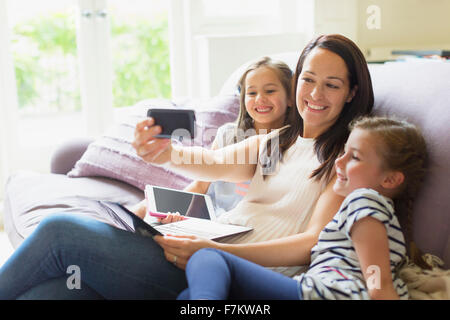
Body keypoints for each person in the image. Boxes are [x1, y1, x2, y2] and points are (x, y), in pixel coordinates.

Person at [0, 34, 374, 299]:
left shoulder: (346, 158)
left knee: (59, 231)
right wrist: (163, 152)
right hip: (199, 252)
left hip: (234, 275)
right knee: (57, 291)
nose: (314, 94)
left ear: (352, 92)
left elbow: (310, 244)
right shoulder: (279, 142)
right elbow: (210, 164)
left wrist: (214, 252)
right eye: (308, 80)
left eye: (331, 85)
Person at [178, 116, 428, 300]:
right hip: (312, 289)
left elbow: (377, 281)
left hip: (323, 294)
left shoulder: (365, 202)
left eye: (355, 157)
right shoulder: (363, 209)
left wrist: (379, 291)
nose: (339, 161)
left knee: (209, 257)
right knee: (189, 296)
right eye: (345, 152)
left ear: (390, 180)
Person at [131, 56, 294, 221]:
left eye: (270, 91)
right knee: (145, 208)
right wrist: (174, 210)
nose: (259, 98)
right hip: (208, 218)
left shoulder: (292, 145)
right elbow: (201, 184)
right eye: (251, 93)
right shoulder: (228, 134)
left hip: (236, 226)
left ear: (290, 97)